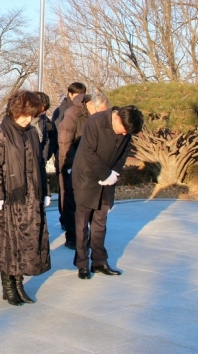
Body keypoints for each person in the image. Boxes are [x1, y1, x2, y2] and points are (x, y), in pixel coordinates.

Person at [0, 90, 51, 306]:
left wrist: (45, 190)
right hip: (9, 196)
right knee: (8, 243)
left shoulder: (32, 132)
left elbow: (40, 163)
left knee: (26, 243)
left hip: (30, 196)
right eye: (26, 115)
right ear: (16, 111)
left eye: (32, 115)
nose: (29, 119)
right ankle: (8, 286)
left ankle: (19, 284)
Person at [71, 105, 143, 280]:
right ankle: (82, 264)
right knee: (82, 224)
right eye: (124, 130)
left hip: (108, 180)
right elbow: (88, 152)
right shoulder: (95, 122)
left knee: (100, 223)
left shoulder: (126, 129)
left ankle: (99, 261)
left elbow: (124, 153)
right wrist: (106, 174)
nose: (124, 134)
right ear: (117, 118)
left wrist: (114, 173)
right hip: (86, 177)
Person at [57, 93, 110, 249]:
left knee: (89, 203)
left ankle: (89, 236)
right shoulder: (73, 114)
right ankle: (72, 237)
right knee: (72, 202)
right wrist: (70, 165)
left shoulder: (97, 117)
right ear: (92, 105)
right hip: (73, 164)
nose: (102, 116)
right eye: (100, 111)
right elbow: (65, 141)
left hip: (91, 166)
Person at [51, 83, 87, 225]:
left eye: (82, 95)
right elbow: (57, 135)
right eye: (76, 95)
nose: (79, 98)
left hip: (81, 156)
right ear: (70, 94)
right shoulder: (61, 111)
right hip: (64, 155)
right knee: (65, 190)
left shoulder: (85, 110)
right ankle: (65, 220)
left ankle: (77, 220)